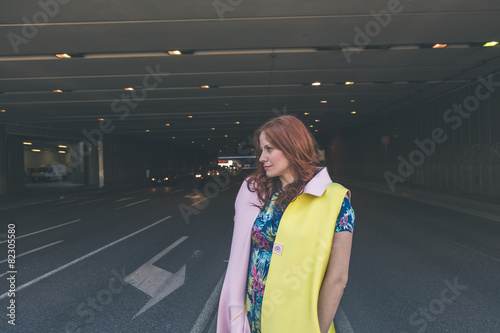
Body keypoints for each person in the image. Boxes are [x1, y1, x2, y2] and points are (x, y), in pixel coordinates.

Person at [217, 115, 355, 333]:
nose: (262, 157)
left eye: (269, 149)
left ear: (293, 147)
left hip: (295, 324)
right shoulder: (257, 193)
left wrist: (317, 328)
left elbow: (338, 279)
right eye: (261, 150)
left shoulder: (336, 200)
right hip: (251, 317)